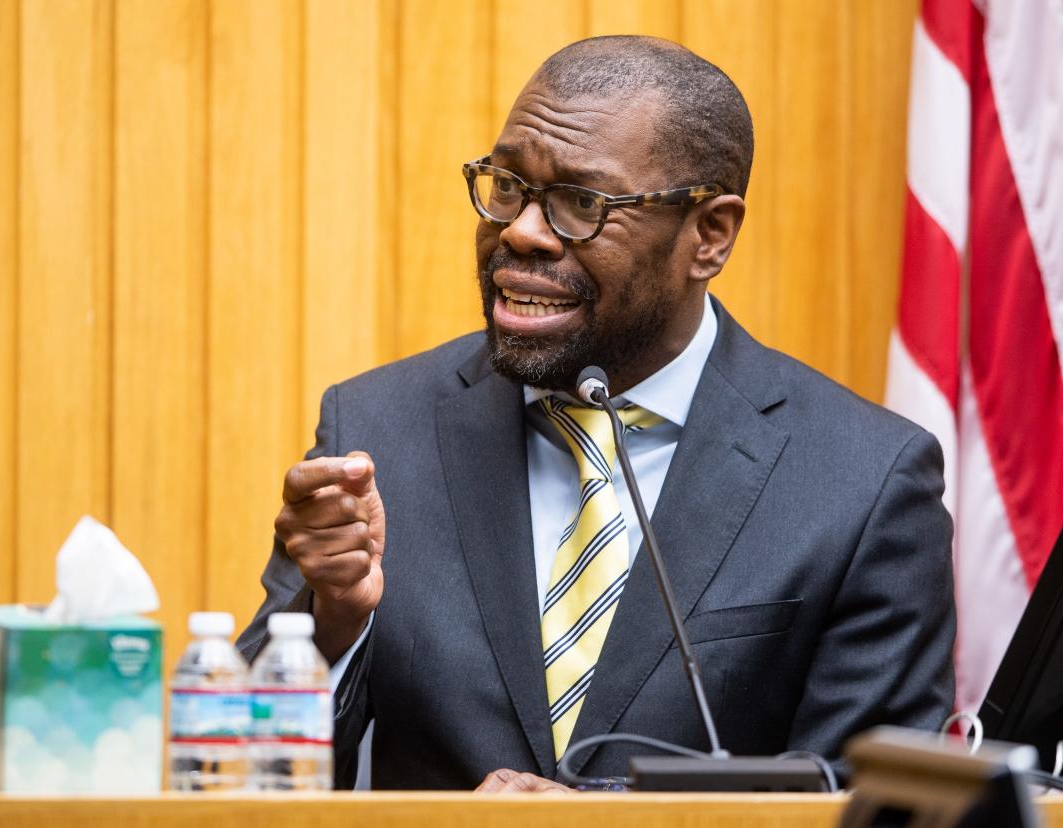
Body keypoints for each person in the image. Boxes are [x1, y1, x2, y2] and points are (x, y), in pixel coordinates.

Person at [238, 35, 955, 792]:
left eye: (582, 204)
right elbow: (244, 774)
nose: (520, 231)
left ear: (708, 236)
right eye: (508, 185)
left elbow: (871, 802)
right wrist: (332, 624)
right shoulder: (379, 430)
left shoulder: (863, 481)